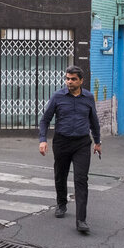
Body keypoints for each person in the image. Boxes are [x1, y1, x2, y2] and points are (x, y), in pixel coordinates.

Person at [39, 65, 102, 234]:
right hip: (62, 142)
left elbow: (94, 121)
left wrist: (97, 141)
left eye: (73, 79)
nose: (69, 82)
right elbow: (45, 120)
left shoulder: (88, 97)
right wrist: (43, 140)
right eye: (67, 78)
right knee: (61, 175)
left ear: (81, 80)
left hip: (82, 143)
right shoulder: (58, 97)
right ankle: (61, 203)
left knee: (81, 179)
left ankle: (81, 220)